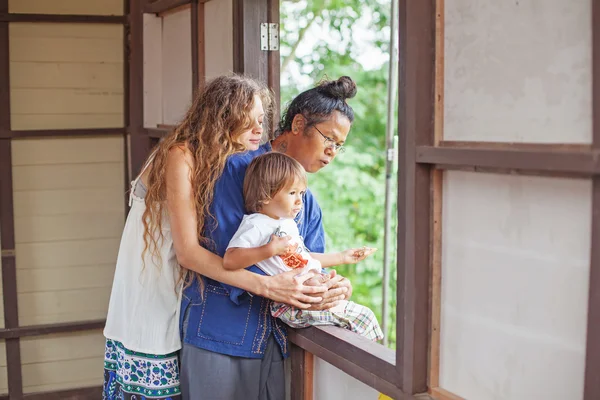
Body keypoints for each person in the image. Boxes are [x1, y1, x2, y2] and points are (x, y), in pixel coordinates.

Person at [102, 75, 332, 400]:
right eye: (247, 121)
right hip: (153, 279)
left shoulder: (227, 162)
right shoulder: (181, 154)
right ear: (222, 118)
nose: (258, 131)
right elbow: (188, 253)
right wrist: (266, 285)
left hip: (180, 280)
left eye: (260, 121)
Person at [179, 76, 360, 400]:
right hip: (220, 333)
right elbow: (226, 252)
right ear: (298, 124)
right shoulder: (238, 168)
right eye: (328, 139)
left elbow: (307, 264)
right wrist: (296, 282)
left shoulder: (309, 204)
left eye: (340, 146)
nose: (332, 152)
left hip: (274, 341)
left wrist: (331, 286)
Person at [224, 152, 384, 341]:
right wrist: (269, 250)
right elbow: (230, 260)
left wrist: (342, 257)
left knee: (360, 316)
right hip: (291, 303)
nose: (300, 201)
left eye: (302, 193)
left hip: (308, 291)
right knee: (362, 319)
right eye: (292, 193)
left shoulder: (287, 223)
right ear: (266, 195)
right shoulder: (256, 224)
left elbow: (304, 258)